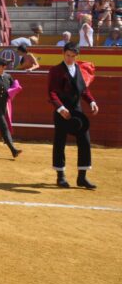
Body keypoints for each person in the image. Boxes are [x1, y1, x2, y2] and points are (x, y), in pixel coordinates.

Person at [48, 42, 99, 189]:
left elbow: (83, 90)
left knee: (85, 141)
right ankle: (61, 176)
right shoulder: (56, 70)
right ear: (63, 54)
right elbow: (52, 93)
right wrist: (61, 108)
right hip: (62, 112)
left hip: (77, 113)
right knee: (60, 142)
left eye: (72, 56)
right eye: (67, 55)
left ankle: (82, 177)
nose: (69, 58)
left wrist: (91, 102)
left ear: (77, 56)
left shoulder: (79, 69)